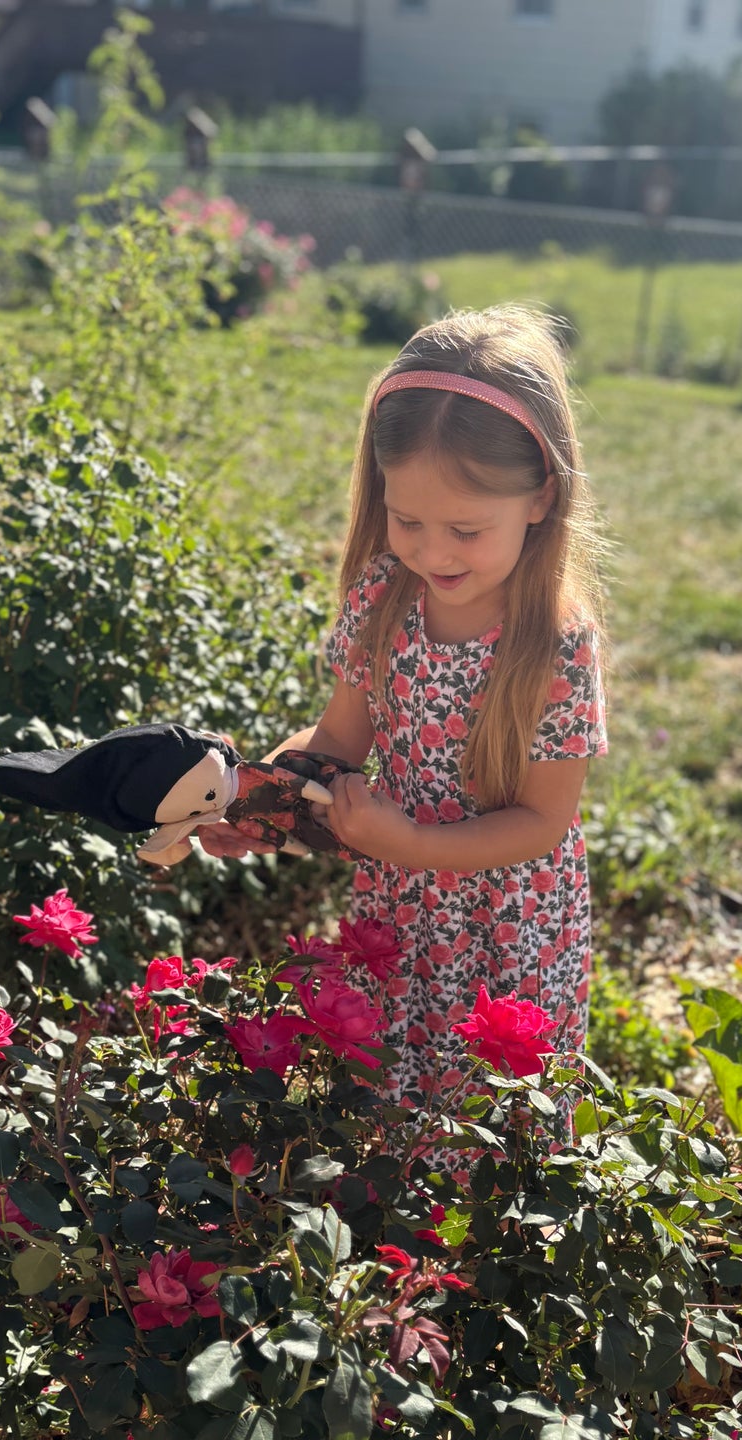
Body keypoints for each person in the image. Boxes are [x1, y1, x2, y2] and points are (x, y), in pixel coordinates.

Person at [199, 303, 608, 1134]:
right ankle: (408, 1255)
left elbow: (541, 821)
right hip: (399, 905)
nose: (433, 551)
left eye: (465, 527)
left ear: (540, 498)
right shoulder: (384, 597)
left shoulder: (551, 646)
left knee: (494, 1117)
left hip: (510, 932)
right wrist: (254, 802)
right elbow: (341, 742)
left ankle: (489, 1255)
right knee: (396, 1094)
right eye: (407, 519)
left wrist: (414, 844)